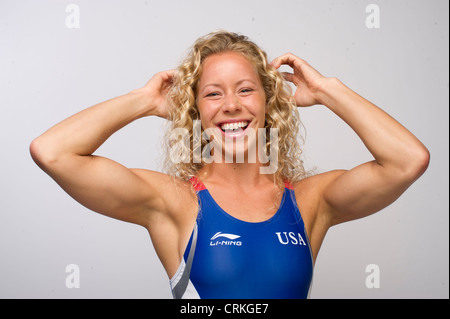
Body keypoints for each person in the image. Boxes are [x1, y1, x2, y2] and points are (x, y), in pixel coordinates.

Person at [30, 31, 430, 299]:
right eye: (212, 94)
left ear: (269, 102)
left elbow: (407, 161)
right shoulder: (174, 202)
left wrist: (330, 90)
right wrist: (145, 101)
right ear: (195, 111)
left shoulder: (309, 201)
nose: (231, 106)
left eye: (245, 89)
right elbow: (52, 151)